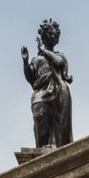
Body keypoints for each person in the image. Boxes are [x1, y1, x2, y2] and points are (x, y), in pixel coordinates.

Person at [22, 20, 74, 149]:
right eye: (50, 33)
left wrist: (43, 51)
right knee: (39, 115)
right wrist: (25, 62)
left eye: (55, 34)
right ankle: (42, 146)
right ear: (44, 36)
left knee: (59, 123)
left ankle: (56, 146)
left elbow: (56, 62)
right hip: (41, 91)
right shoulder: (36, 60)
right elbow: (31, 77)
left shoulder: (60, 55)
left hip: (59, 90)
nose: (53, 36)